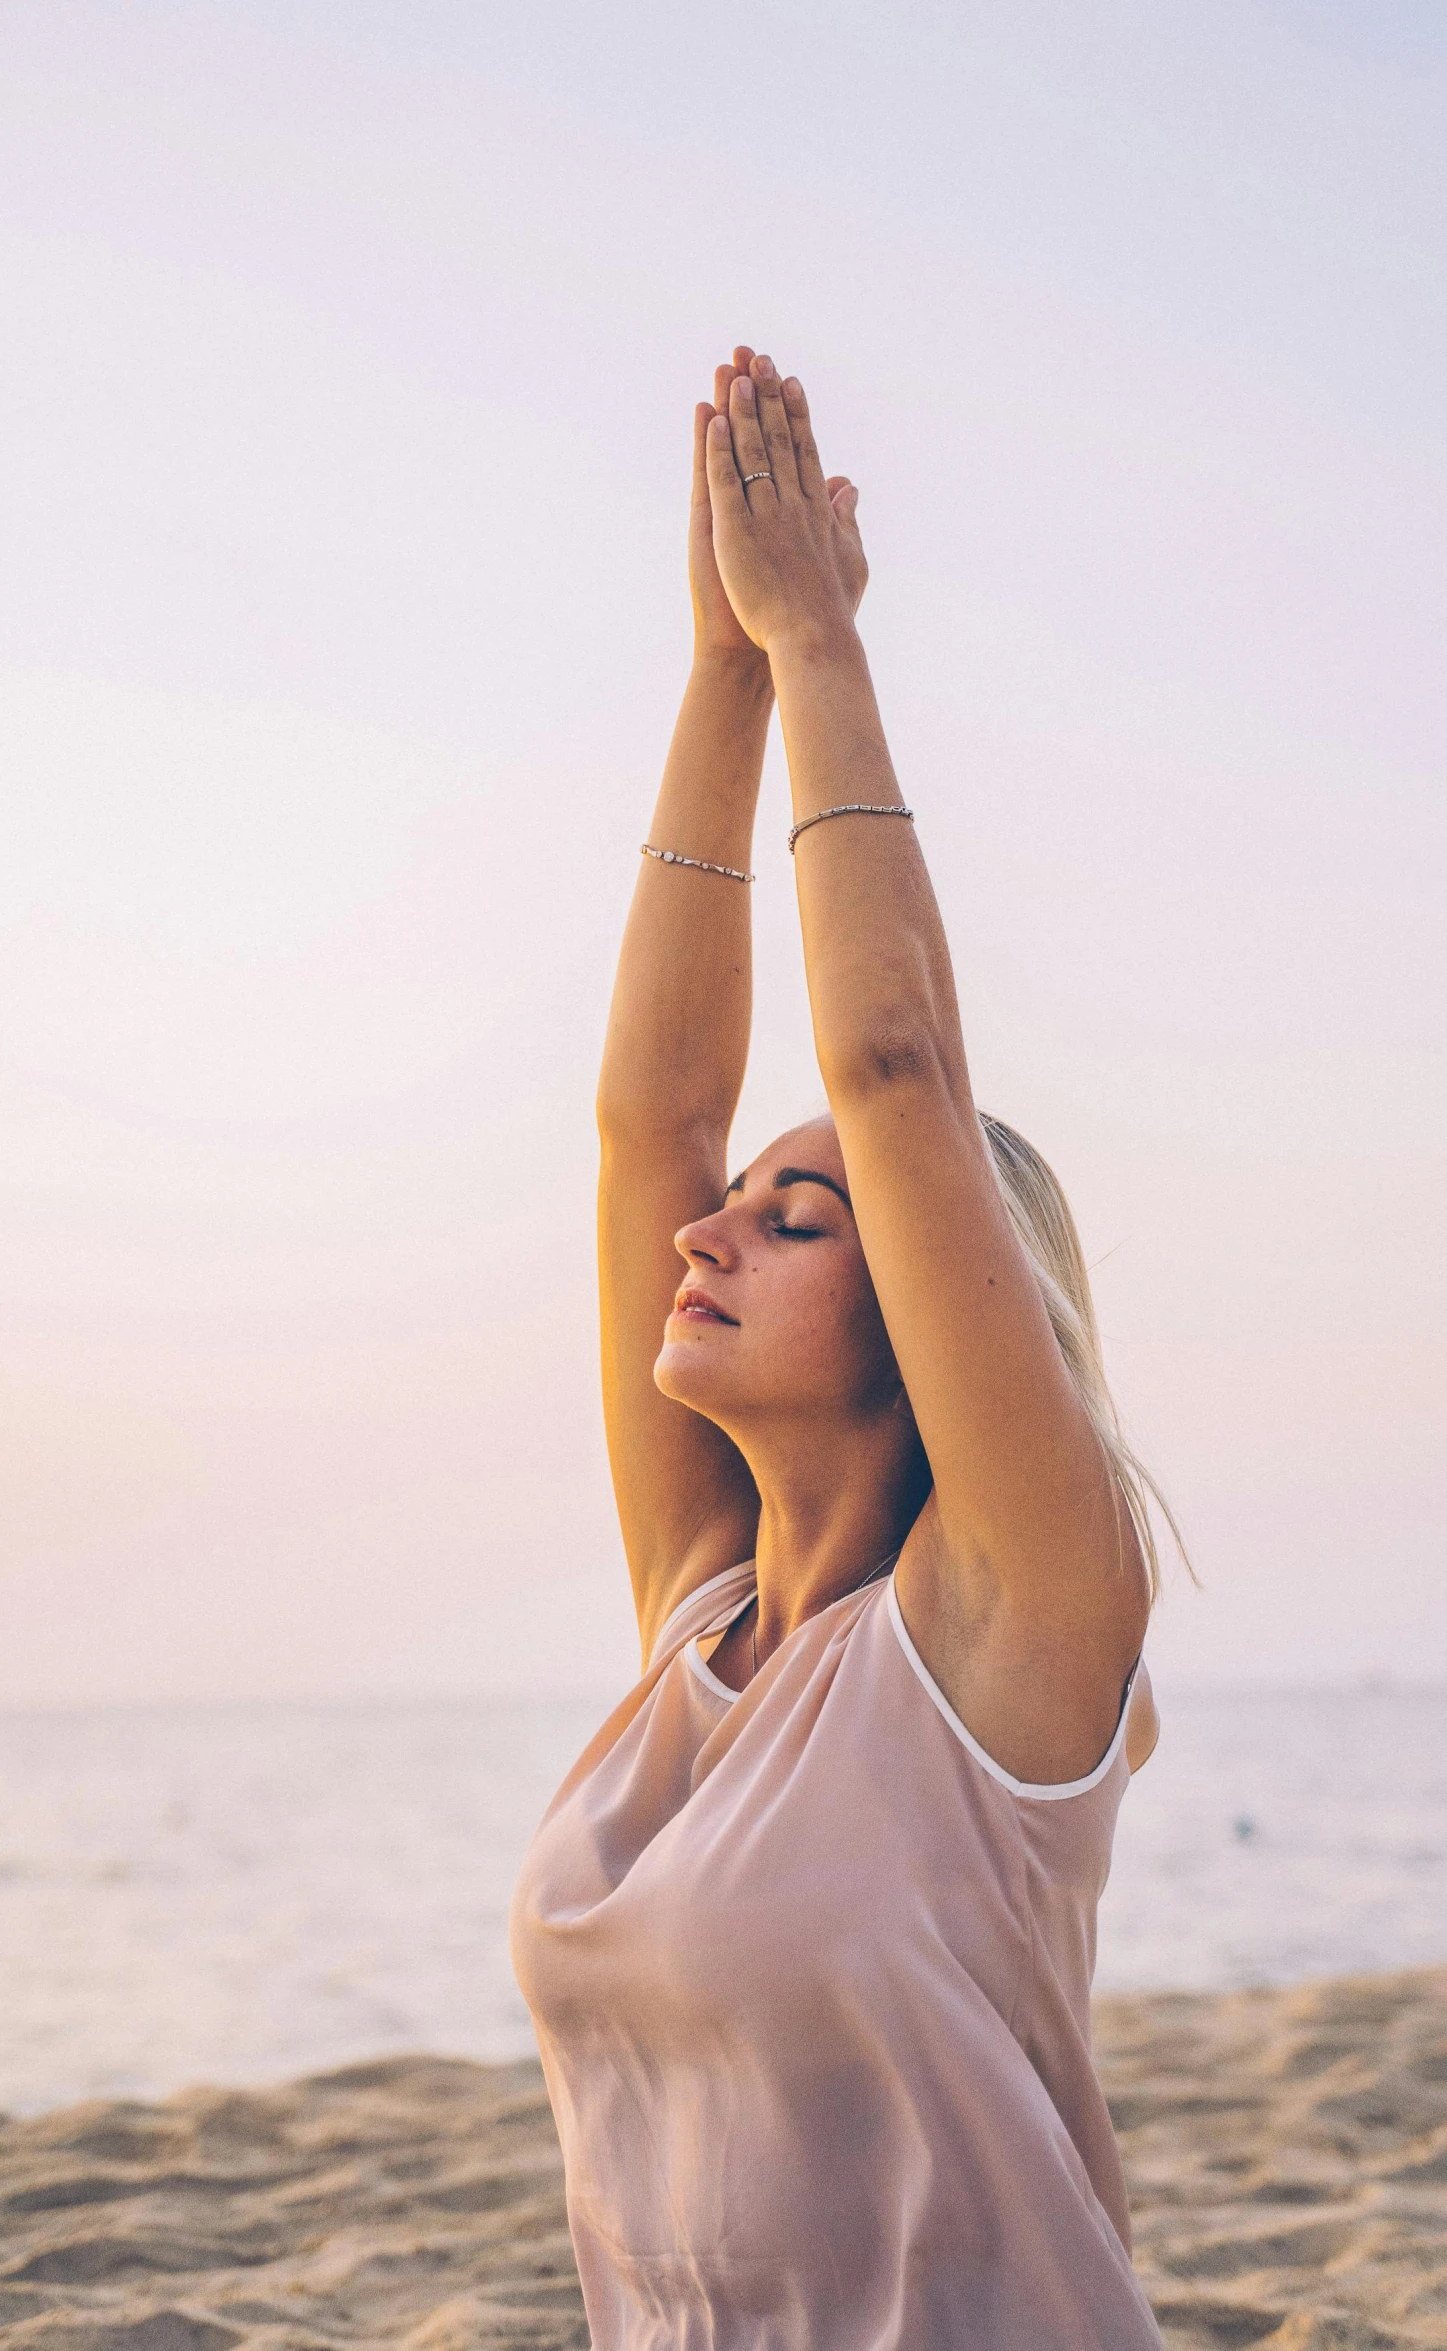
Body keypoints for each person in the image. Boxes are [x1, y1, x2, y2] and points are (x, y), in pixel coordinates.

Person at [510, 347, 1174, 2348]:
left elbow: (895, 1071)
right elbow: (649, 1130)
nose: (712, 1227)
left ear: (932, 1327)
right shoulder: (696, 1625)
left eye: (801, 1219)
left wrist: (815, 644)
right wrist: (712, 670)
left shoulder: (1012, 1636)